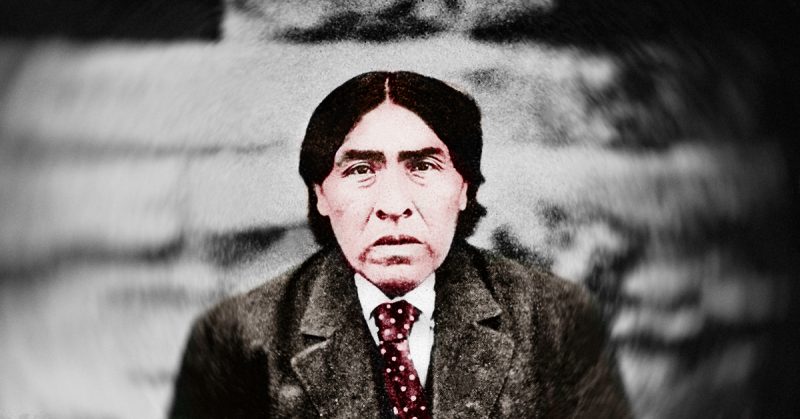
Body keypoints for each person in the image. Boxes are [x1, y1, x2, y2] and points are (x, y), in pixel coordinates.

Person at [169, 71, 631, 418]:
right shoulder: (236, 338)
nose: (393, 205)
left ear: (464, 187)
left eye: (423, 166)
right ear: (321, 194)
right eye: (360, 170)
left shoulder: (556, 320)